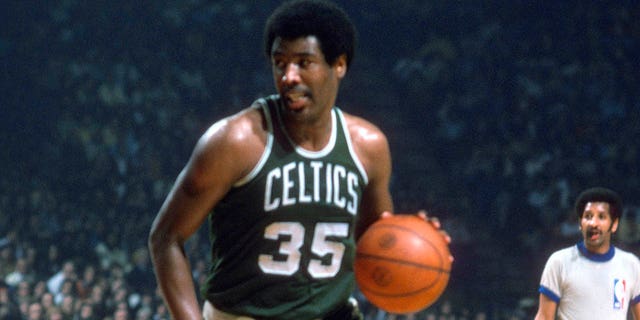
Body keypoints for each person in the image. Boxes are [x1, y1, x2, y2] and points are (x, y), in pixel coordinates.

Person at [148, 1, 449, 319]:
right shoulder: (235, 142)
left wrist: (415, 239)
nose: (288, 76)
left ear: (339, 65)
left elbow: (373, 240)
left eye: (304, 62)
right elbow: (166, 237)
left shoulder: (368, 147)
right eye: (280, 63)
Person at [534, 187, 640, 320]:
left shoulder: (631, 264)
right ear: (580, 223)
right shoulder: (559, 261)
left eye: (601, 217)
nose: (593, 223)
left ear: (614, 224)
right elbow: (544, 316)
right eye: (588, 216)